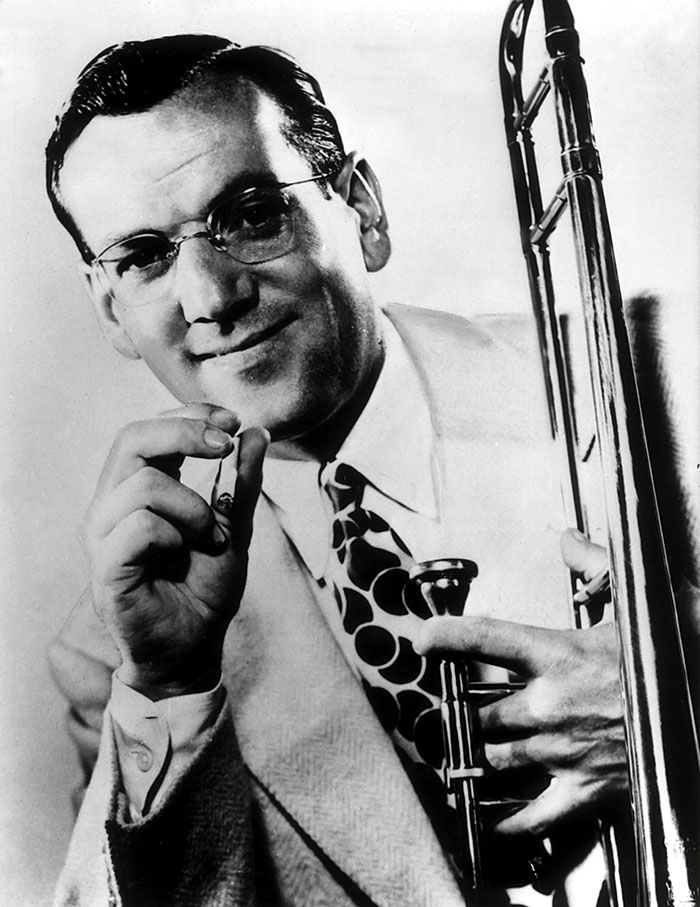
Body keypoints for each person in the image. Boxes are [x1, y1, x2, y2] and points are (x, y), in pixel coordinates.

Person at [45, 34, 684, 907]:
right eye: (145, 257)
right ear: (111, 310)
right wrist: (174, 688)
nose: (212, 298)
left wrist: (678, 698)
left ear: (362, 210)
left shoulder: (663, 372)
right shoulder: (115, 656)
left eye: (252, 213)